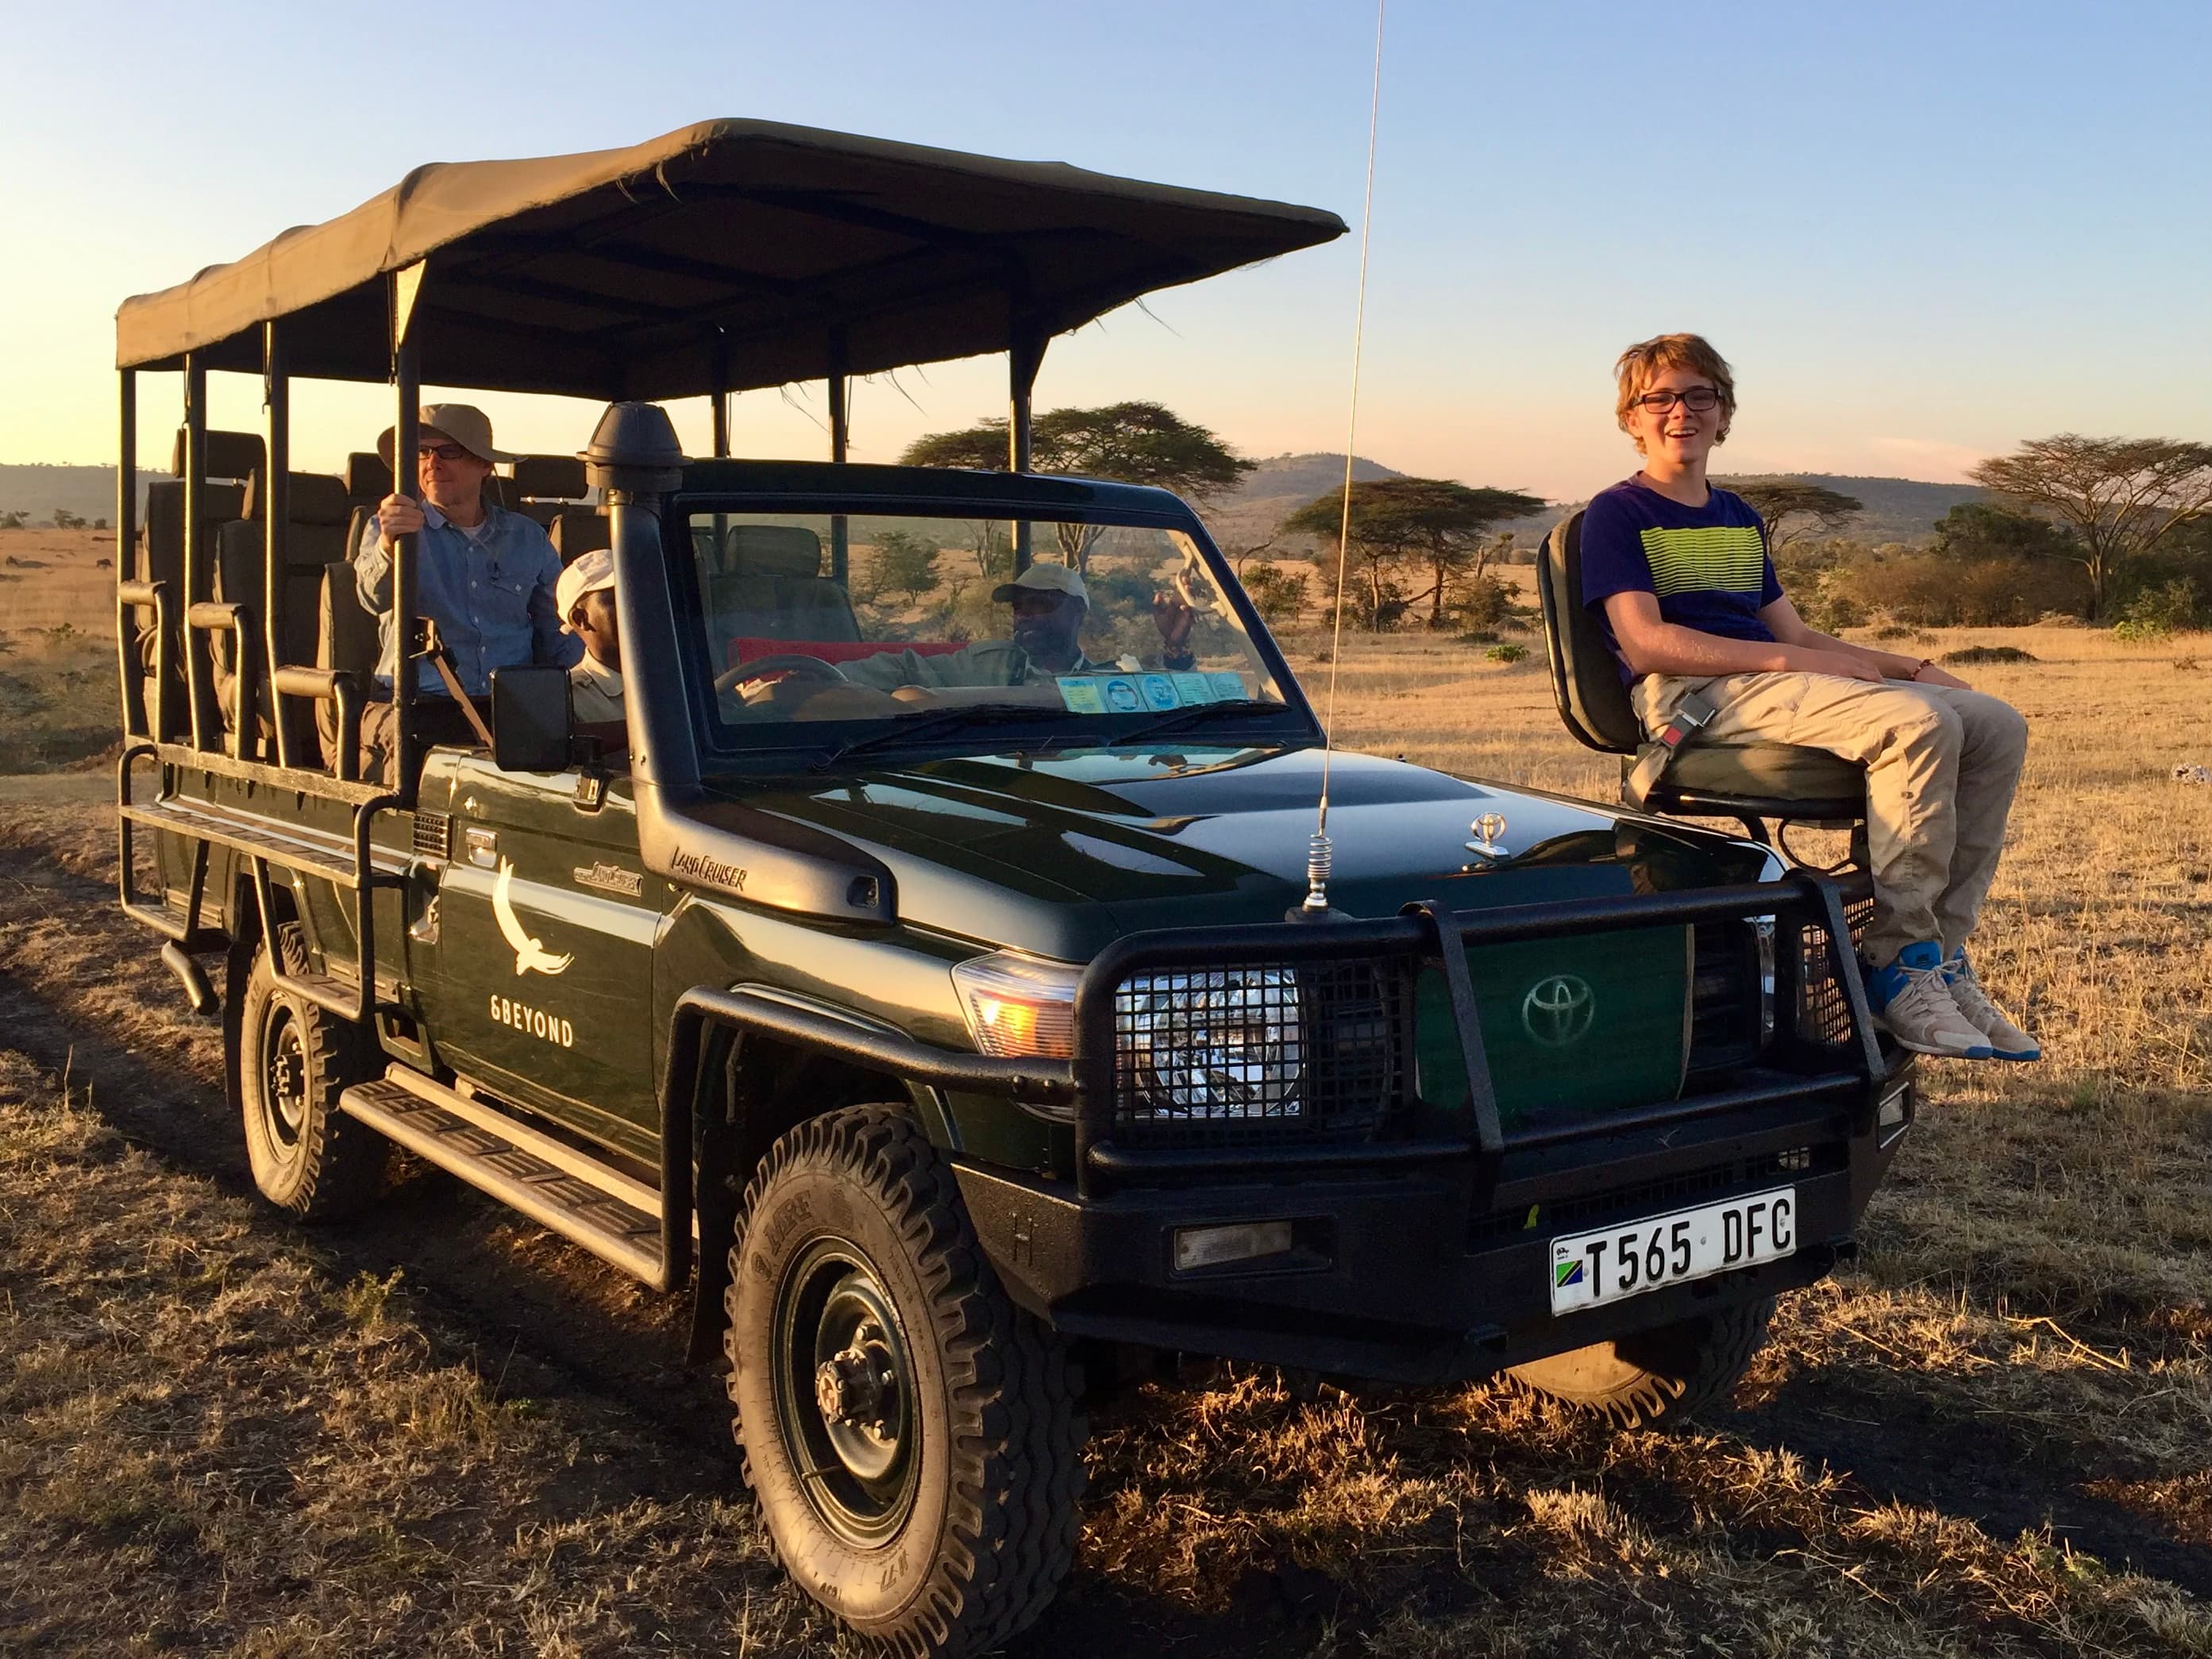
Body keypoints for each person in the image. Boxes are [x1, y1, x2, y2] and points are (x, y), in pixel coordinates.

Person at [1579, 333, 2035, 1062]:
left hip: (1772, 678)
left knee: (1993, 723)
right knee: (1916, 725)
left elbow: (1795, 632)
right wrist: (1793, 661)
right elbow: (1646, 644)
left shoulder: (1736, 517)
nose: (1680, 411)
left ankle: (1942, 961)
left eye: (1700, 395)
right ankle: (1896, 965)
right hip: (1694, 697)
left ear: (1723, 415)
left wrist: (1908, 665)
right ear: (1631, 419)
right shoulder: (1617, 513)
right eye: (1658, 398)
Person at [352, 404, 577, 774]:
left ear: (485, 465)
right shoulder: (391, 529)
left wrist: (595, 689)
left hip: (510, 710)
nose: (432, 462)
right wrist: (389, 547)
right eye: (423, 452)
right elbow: (370, 597)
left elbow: (559, 630)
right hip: (415, 704)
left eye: (449, 451)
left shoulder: (527, 538)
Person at [838, 563, 1194, 691]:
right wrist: (822, 678)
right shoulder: (985, 665)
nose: (1025, 615)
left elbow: (1179, 708)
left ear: (1077, 611)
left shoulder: (1109, 680)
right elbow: (906, 667)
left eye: (1041, 604)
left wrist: (1176, 648)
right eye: (1019, 606)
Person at [556, 548, 624, 727]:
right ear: (581, 619)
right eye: (620, 598)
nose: (639, 605)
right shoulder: (568, 699)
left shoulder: (686, 678)